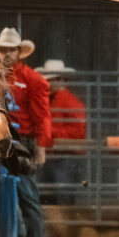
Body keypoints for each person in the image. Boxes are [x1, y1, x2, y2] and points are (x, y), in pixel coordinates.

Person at [0, 28, 53, 237]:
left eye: (11, 49)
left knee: (27, 197)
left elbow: (42, 116)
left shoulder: (33, 80)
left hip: (22, 142)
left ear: (19, 52)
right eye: (3, 49)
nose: (7, 53)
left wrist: (40, 147)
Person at [36, 59, 86, 205]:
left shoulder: (68, 101)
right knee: (55, 192)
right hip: (57, 154)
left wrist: (50, 132)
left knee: (59, 192)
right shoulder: (60, 100)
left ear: (60, 80)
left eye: (51, 80)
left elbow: (79, 132)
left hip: (64, 156)